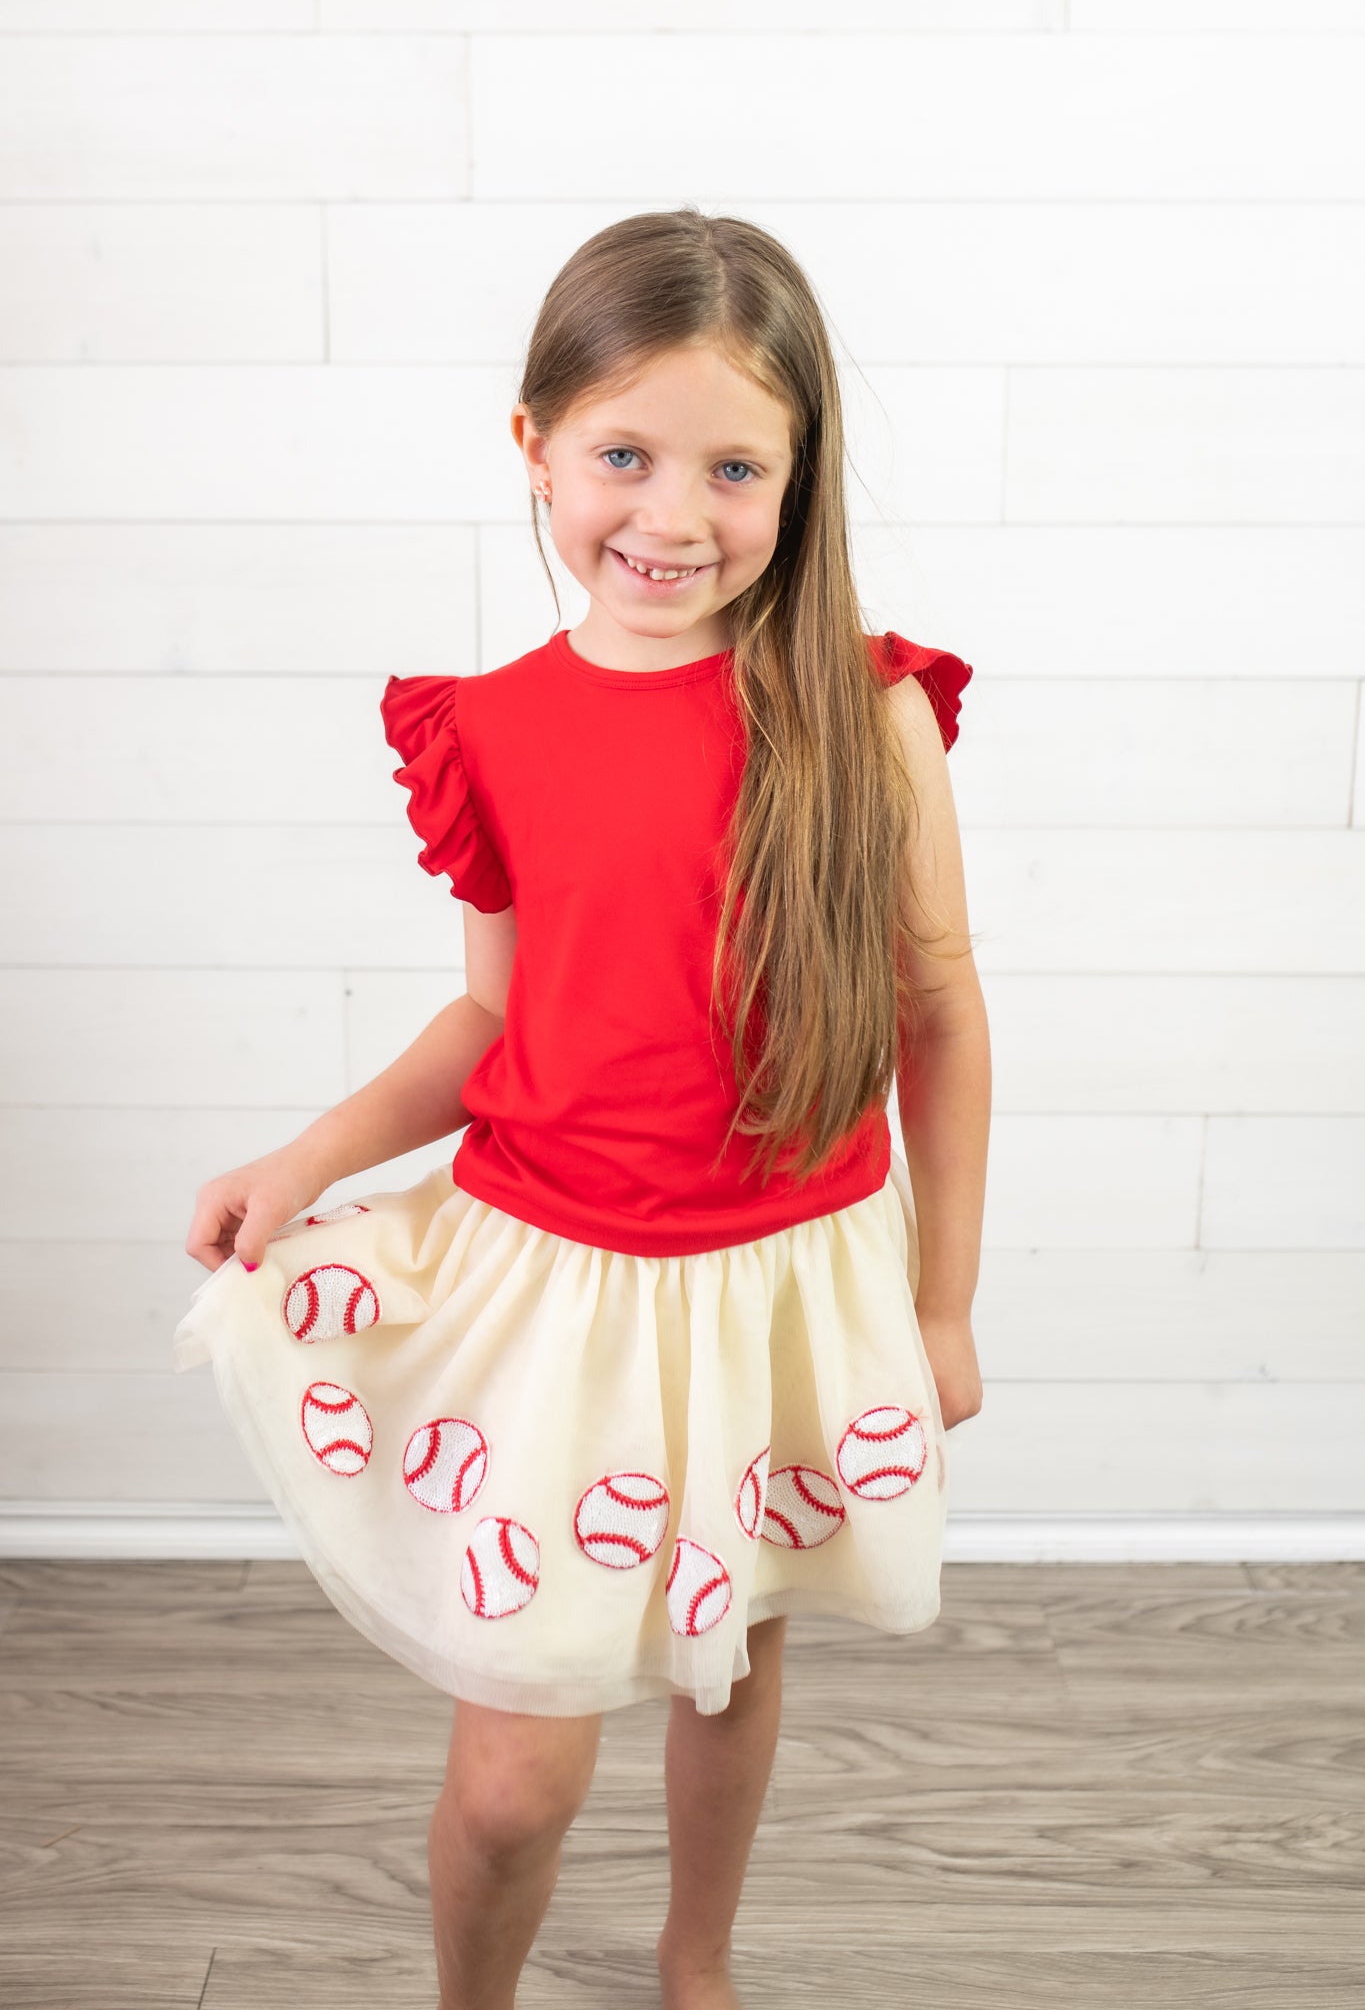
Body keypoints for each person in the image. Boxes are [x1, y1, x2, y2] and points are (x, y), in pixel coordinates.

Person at [174, 206, 989, 2010]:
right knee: (512, 1776)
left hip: (780, 1279)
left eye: (732, 467)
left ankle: (695, 1961)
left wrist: (939, 1301)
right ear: (532, 446)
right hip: (556, 1284)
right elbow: (492, 1017)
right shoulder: (494, 729)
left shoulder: (866, 722)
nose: (672, 516)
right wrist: (306, 1156)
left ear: (799, 475)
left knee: (736, 1658)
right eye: (623, 454)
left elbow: (938, 1014)